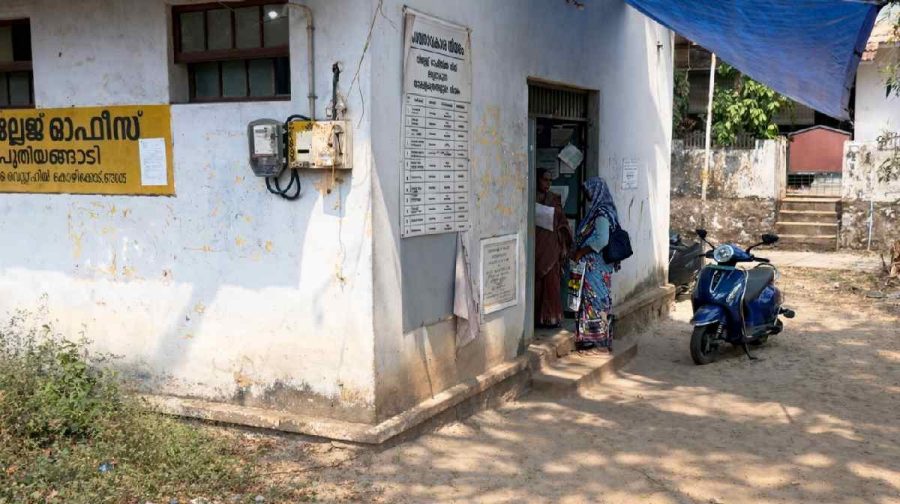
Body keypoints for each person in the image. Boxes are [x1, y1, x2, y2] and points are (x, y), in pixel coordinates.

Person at [570, 177, 620, 354]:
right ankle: (592, 337)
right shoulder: (603, 211)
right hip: (597, 266)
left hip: (595, 265)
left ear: (597, 191)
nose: (587, 196)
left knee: (594, 299)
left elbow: (602, 240)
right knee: (595, 298)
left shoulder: (601, 214)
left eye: (589, 192)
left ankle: (594, 337)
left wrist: (581, 252)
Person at [535, 168, 573, 329]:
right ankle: (536, 318)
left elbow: (563, 224)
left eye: (550, 181)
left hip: (551, 248)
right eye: (545, 180)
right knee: (537, 285)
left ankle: (551, 318)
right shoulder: (531, 198)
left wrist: (564, 245)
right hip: (536, 247)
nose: (548, 184)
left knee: (551, 284)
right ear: (537, 180)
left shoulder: (555, 199)